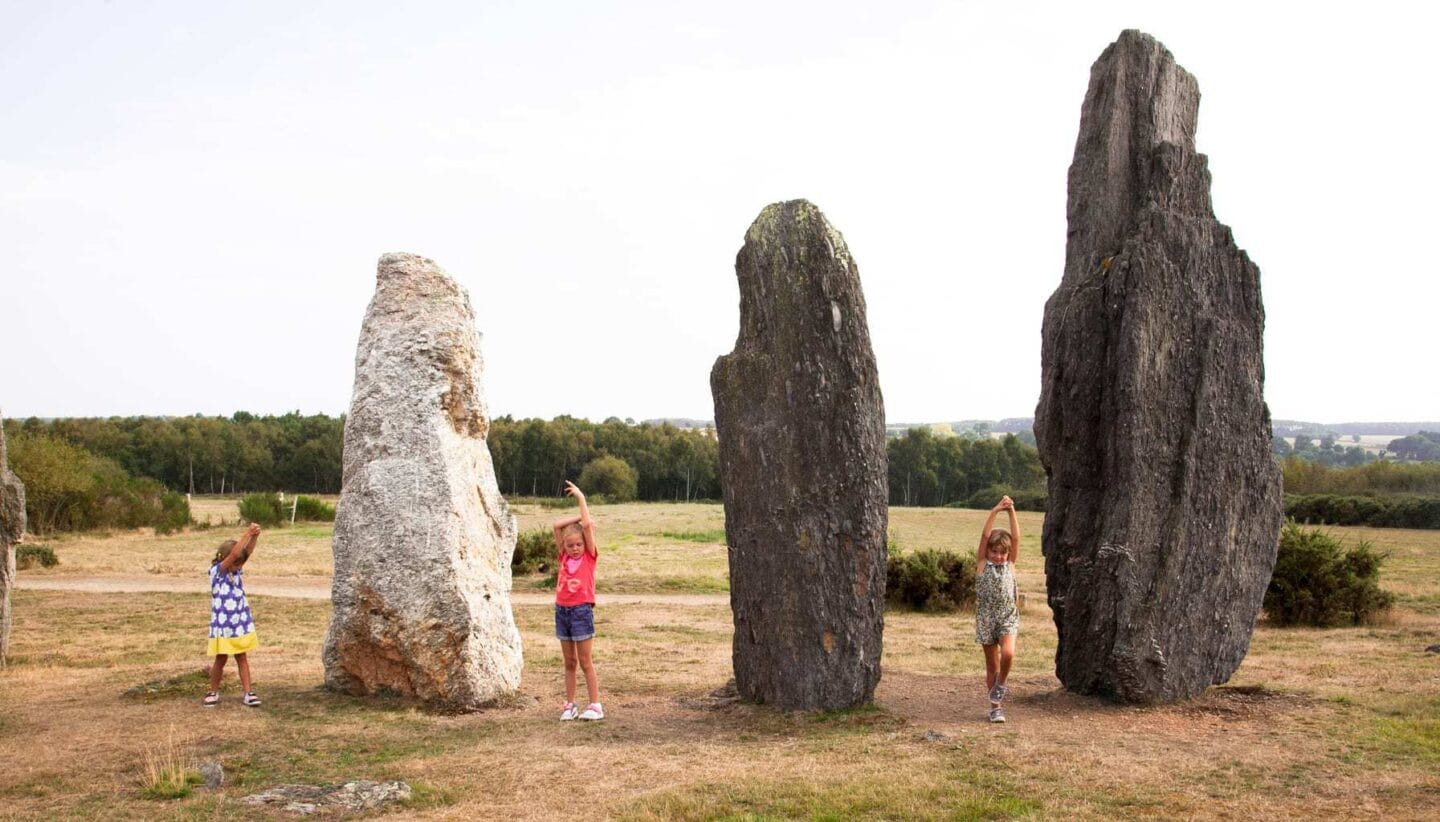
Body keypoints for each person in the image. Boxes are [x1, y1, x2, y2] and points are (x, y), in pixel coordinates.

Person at [553, 480, 602, 721]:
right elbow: (556, 526)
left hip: (581, 611)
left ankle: (595, 705)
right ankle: (570, 704)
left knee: (585, 661)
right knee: (569, 662)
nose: (575, 548)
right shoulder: (563, 556)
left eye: (579, 544)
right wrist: (575, 522)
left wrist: (581, 499)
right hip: (562, 611)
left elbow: (588, 528)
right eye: (571, 545)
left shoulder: (589, 558)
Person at [203, 523, 262, 707]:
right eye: (236, 563)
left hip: (238, 625)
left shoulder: (235, 571)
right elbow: (236, 554)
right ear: (226, 558)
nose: (239, 566)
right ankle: (213, 692)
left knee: (242, 657)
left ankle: (248, 693)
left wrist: (254, 538)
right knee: (220, 659)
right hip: (223, 626)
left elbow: (245, 554)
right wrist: (247, 533)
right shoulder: (217, 572)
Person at [975, 495, 1020, 723]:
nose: (999, 556)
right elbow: (985, 537)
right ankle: (996, 708)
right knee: (991, 665)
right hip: (986, 619)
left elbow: (1016, 538)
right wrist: (995, 510)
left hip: (1007, 617)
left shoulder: (1010, 565)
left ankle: (1001, 684)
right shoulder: (983, 565)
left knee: (1009, 654)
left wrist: (1011, 511)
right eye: (995, 552)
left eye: (1003, 553)